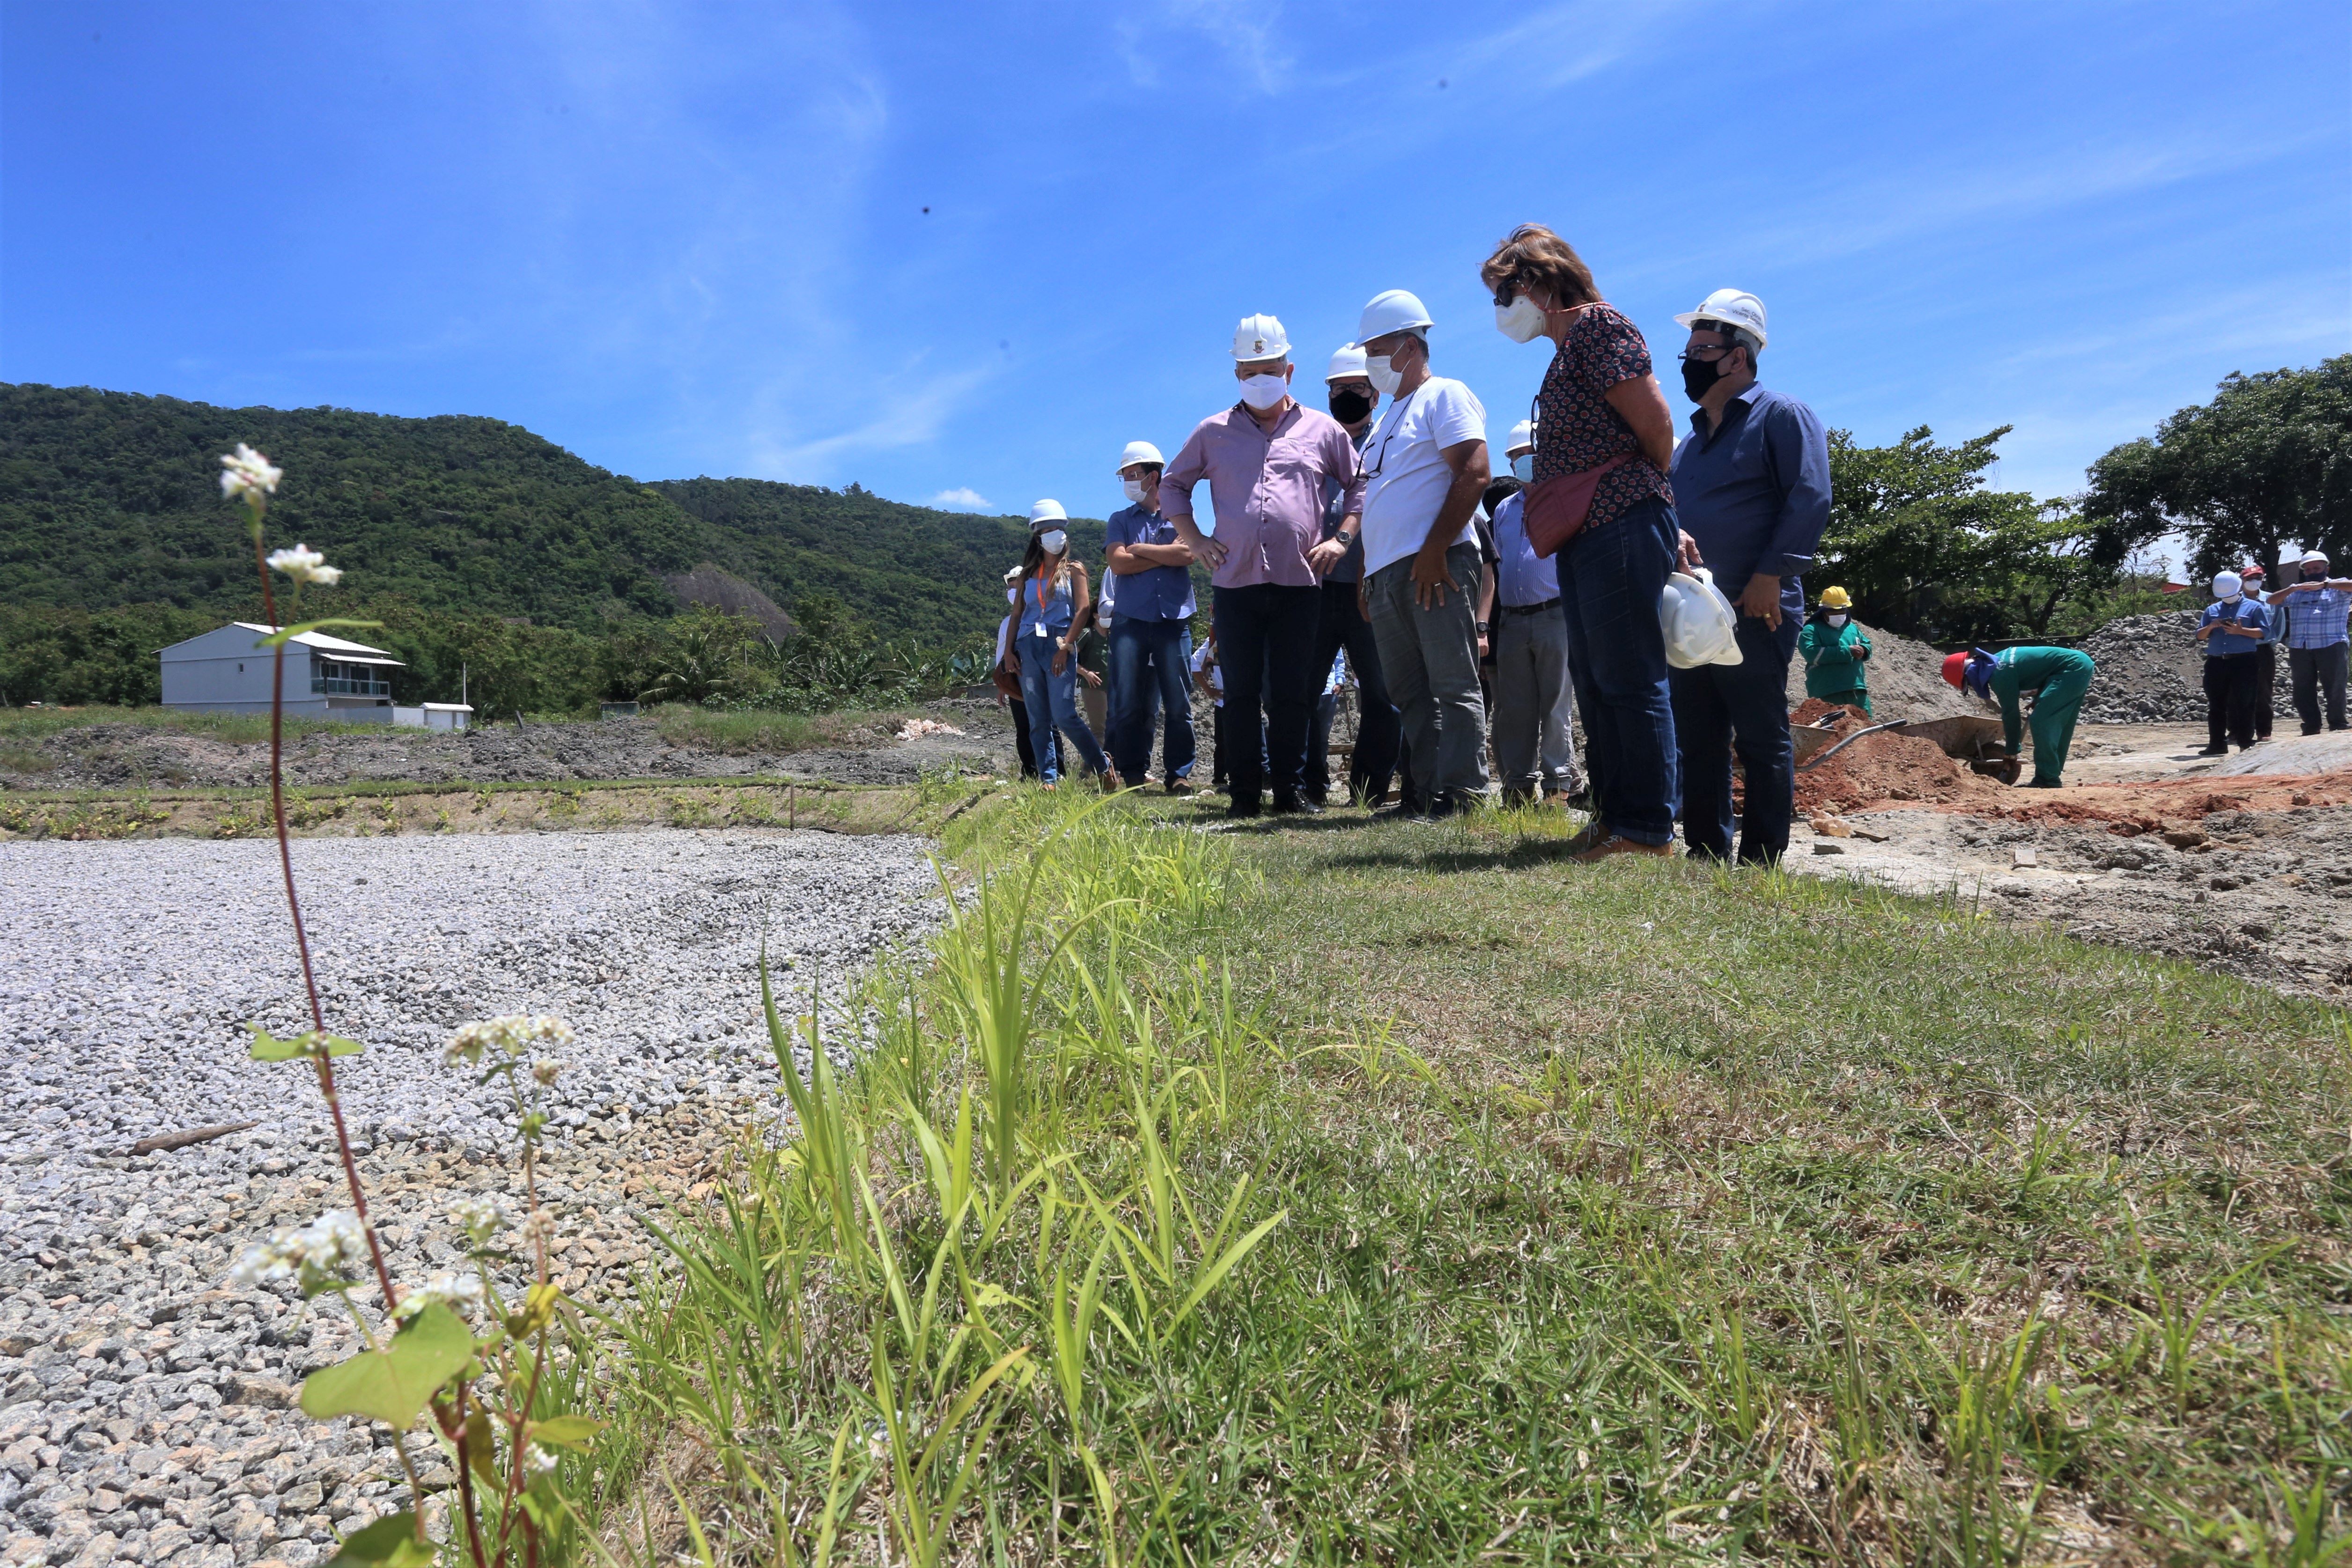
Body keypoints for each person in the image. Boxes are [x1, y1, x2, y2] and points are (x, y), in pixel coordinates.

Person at [1481, 224, 1690, 861]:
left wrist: (1639, 493)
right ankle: (1614, 817)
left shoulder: (1600, 328)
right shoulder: (1565, 351)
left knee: (1629, 678)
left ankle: (1648, 829)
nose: (1498, 310)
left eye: (1502, 292)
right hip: (1587, 531)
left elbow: (1655, 429)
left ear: (1539, 281)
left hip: (1621, 519)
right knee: (1596, 680)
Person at [1161, 314, 1365, 817]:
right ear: (1237, 374)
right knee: (1242, 691)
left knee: (1294, 691)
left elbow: (1359, 484)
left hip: (1301, 582)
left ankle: (1290, 790)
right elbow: (1172, 485)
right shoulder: (1212, 432)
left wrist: (1341, 539)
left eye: (1268, 368)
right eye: (1249, 370)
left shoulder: (1322, 429)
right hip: (1236, 583)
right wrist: (1195, 539)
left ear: (1289, 369)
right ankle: (1245, 794)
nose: (1259, 378)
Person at [1660, 290, 1831, 865]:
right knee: (1700, 737)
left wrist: (1769, 575)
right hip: (1695, 616)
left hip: (1758, 608)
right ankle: (1705, 851)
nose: (1688, 362)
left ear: (1738, 357)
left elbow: (1808, 498)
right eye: (1686, 351)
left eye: (1701, 350)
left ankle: (1761, 859)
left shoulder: (1780, 415)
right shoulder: (1687, 448)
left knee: (1760, 735)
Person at [1352, 288, 1493, 818]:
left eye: (1377, 348)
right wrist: (1366, 572)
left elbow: (1474, 472)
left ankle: (1464, 795)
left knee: (1452, 682)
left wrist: (1434, 551)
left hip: (1435, 564)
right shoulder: (1386, 419)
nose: (1370, 360)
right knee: (1410, 692)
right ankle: (1425, 795)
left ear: (1409, 346)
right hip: (1387, 574)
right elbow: (1378, 501)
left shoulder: (1445, 395)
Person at [1309, 345, 1402, 806]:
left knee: (1382, 693)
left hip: (1372, 587)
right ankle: (1307, 786)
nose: (1347, 395)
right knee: (1303, 691)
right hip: (1316, 589)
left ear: (1375, 395)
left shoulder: (1389, 442)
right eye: (1338, 388)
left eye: (1357, 388)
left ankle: (1368, 788)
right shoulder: (1310, 445)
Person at [1485, 419, 1580, 804]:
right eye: (1516, 457)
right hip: (1512, 619)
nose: (1523, 462)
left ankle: (1557, 784)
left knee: (1555, 704)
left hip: (1554, 614)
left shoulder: (1565, 499)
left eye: (1529, 454)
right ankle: (1517, 786)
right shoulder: (1505, 510)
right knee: (1514, 708)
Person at [1104, 440, 1200, 794]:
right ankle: (1132, 773)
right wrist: (1166, 553)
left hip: (1174, 621)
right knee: (1127, 701)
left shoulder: (1180, 513)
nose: (1128, 481)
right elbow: (1117, 563)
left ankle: (1179, 774)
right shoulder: (1119, 520)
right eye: (1125, 476)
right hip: (1130, 621)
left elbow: (1189, 553)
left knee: (1178, 702)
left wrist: (1141, 549)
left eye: (1133, 474)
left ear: (1153, 476)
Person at [1012, 501, 1114, 789]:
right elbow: (1018, 614)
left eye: (1059, 529)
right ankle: (1049, 778)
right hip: (1029, 645)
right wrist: (1009, 652)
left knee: (1064, 715)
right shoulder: (1028, 574)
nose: (1055, 534)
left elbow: (1083, 610)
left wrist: (1066, 646)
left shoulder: (1074, 570)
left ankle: (1102, 765)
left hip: (1060, 643)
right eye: (1048, 530)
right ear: (1037, 536)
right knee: (1038, 718)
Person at [1943, 644, 2096, 787]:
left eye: (1968, 684)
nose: (1972, 686)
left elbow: (2011, 715)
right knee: (2060, 723)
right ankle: (2050, 775)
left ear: (1969, 675)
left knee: (2041, 721)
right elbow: (2045, 669)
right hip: (2076, 665)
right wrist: (2039, 700)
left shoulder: (1999, 675)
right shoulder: (1997, 662)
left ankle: (2047, 779)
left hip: (2072, 668)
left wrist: (2011, 750)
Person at [2269, 549, 2352, 733]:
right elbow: (2272, 601)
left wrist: (2325, 586)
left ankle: (2338, 723)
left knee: (2335, 686)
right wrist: (2291, 588)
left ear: (2327, 569)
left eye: (2317, 568)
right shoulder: (2297, 592)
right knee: (2303, 688)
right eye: (2308, 570)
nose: (2313, 572)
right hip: (2301, 646)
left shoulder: (2338, 588)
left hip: (2332, 644)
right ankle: (2312, 725)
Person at [2194, 570, 2268, 753]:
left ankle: (2245, 742)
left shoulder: (2254, 607)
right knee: (2216, 704)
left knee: (2246, 702)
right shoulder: (2211, 610)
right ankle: (2217, 744)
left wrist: (2240, 631)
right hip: (2217, 662)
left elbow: (2264, 632)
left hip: (2244, 661)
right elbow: (2200, 637)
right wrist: (2211, 626)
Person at [1797, 586, 1873, 715]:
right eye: (1834, 611)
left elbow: (1867, 644)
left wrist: (1864, 650)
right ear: (1824, 611)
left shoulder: (1851, 628)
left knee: (1868, 732)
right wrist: (1847, 652)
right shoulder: (1812, 630)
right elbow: (1812, 654)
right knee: (1836, 731)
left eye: (1843, 610)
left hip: (1858, 692)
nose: (1839, 615)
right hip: (1829, 694)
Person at [1072, 598, 1111, 746]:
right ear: (1095, 615)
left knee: (1111, 729)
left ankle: (1101, 765)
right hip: (1093, 687)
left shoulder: (1111, 637)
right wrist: (1085, 673)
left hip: (1110, 687)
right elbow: (1069, 658)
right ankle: (1095, 767)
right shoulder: (1087, 634)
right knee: (1099, 729)